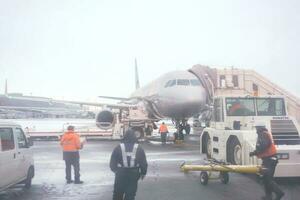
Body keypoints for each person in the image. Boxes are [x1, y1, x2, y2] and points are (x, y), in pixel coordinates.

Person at [249, 122, 284, 200]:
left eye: (256, 128)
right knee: (266, 179)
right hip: (269, 160)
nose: (255, 129)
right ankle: (268, 196)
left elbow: (263, 146)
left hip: (270, 160)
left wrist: (254, 152)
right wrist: (255, 152)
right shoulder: (263, 134)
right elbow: (263, 146)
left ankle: (279, 193)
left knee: (267, 179)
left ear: (259, 128)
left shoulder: (263, 134)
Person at [110, 129, 148, 200]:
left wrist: (116, 171)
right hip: (133, 173)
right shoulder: (139, 148)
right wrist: (143, 173)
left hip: (120, 173)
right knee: (130, 194)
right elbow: (143, 162)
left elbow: (112, 161)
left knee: (118, 194)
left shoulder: (118, 147)